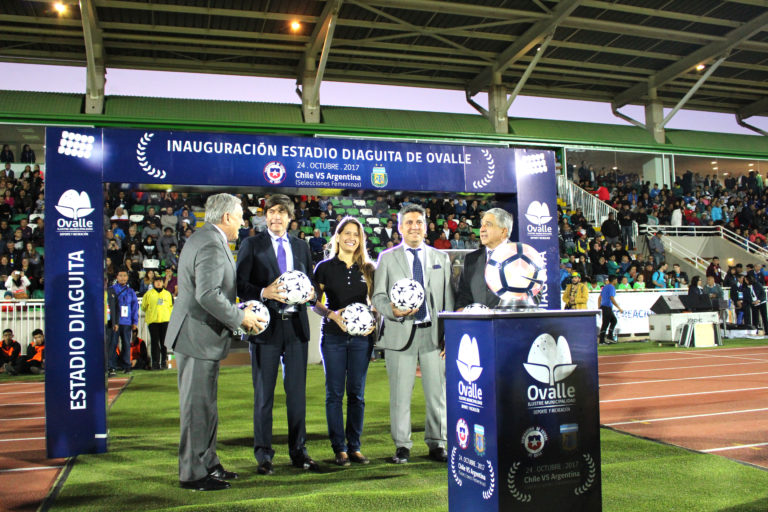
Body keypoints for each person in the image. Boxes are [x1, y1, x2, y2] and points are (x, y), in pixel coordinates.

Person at [164, 193, 265, 492]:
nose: (243, 221)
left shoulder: (208, 237)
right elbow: (207, 294)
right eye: (240, 216)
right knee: (197, 408)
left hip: (201, 337)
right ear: (226, 218)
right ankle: (193, 473)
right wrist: (239, 317)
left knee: (206, 406)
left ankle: (208, 463)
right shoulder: (209, 242)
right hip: (196, 337)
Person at [235, 194, 319, 476]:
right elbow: (239, 284)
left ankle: (299, 451)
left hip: (296, 327)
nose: (276, 217)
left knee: (296, 395)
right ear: (265, 215)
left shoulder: (302, 246)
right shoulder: (251, 244)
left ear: (290, 216)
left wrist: (311, 294)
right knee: (264, 395)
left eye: (282, 212)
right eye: (271, 211)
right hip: (265, 328)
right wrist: (263, 292)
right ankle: (264, 455)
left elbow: (310, 284)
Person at [372, 204, 454, 464]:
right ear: (400, 227)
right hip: (400, 334)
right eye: (408, 222)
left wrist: (449, 334)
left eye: (419, 221)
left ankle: (437, 443)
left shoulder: (441, 258)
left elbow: (448, 299)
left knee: (436, 393)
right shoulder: (387, 258)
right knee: (400, 394)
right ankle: (402, 446)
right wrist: (393, 311)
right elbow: (378, 296)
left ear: (426, 225)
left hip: (433, 336)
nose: (414, 226)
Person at [312, 217, 376, 467]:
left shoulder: (369, 269)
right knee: (334, 393)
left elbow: (377, 302)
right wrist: (331, 315)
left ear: (361, 240)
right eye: (347, 233)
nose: (352, 238)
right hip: (333, 337)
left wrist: (374, 319)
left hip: (362, 340)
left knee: (357, 394)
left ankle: (355, 446)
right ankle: (339, 448)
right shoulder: (324, 267)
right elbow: (313, 301)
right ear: (337, 236)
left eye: (356, 234)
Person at [455, 208, 513, 309]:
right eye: (482, 224)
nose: (482, 229)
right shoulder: (471, 259)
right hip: (477, 324)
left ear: (503, 231)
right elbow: (462, 300)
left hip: (510, 323)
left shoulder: (521, 257)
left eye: (488, 224)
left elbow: (534, 297)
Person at [109, 268, 139, 377]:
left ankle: (126, 366)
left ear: (127, 277)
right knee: (113, 344)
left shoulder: (131, 291)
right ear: (117, 277)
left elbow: (135, 307)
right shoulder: (111, 290)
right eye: (120, 275)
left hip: (127, 322)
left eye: (125, 276)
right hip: (115, 322)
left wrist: (135, 321)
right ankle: (111, 367)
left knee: (127, 344)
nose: (123, 278)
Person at [141, 274, 173, 370]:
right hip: (153, 321)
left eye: (160, 281)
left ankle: (164, 362)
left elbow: (171, 306)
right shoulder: (148, 294)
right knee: (154, 342)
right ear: (153, 283)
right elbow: (143, 307)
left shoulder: (167, 294)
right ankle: (155, 362)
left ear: (163, 283)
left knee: (164, 342)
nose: (159, 283)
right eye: (156, 281)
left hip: (165, 320)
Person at [599, 275, 623, 345]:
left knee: (614, 320)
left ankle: (609, 336)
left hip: (604, 307)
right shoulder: (611, 287)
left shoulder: (605, 287)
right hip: (607, 307)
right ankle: (602, 340)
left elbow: (599, 297)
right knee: (605, 324)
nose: (616, 281)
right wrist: (619, 308)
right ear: (614, 280)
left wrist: (599, 306)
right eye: (616, 280)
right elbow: (612, 298)